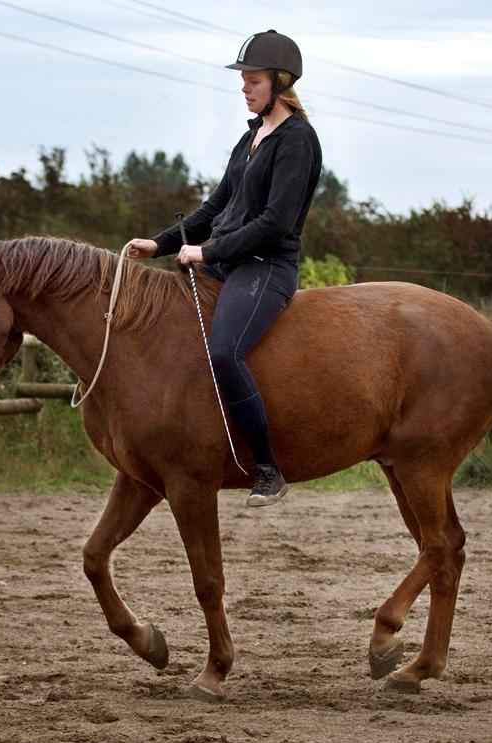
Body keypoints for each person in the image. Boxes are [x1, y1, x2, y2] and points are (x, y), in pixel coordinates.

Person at [126, 29, 322, 508]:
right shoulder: (252, 135)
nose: (244, 88)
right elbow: (217, 206)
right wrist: (162, 243)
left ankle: (268, 468)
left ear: (279, 81)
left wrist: (207, 253)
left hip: (266, 267)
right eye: (244, 80)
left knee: (223, 353)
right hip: (228, 263)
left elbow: (275, 223)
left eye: (253, 80)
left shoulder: (297, 140)